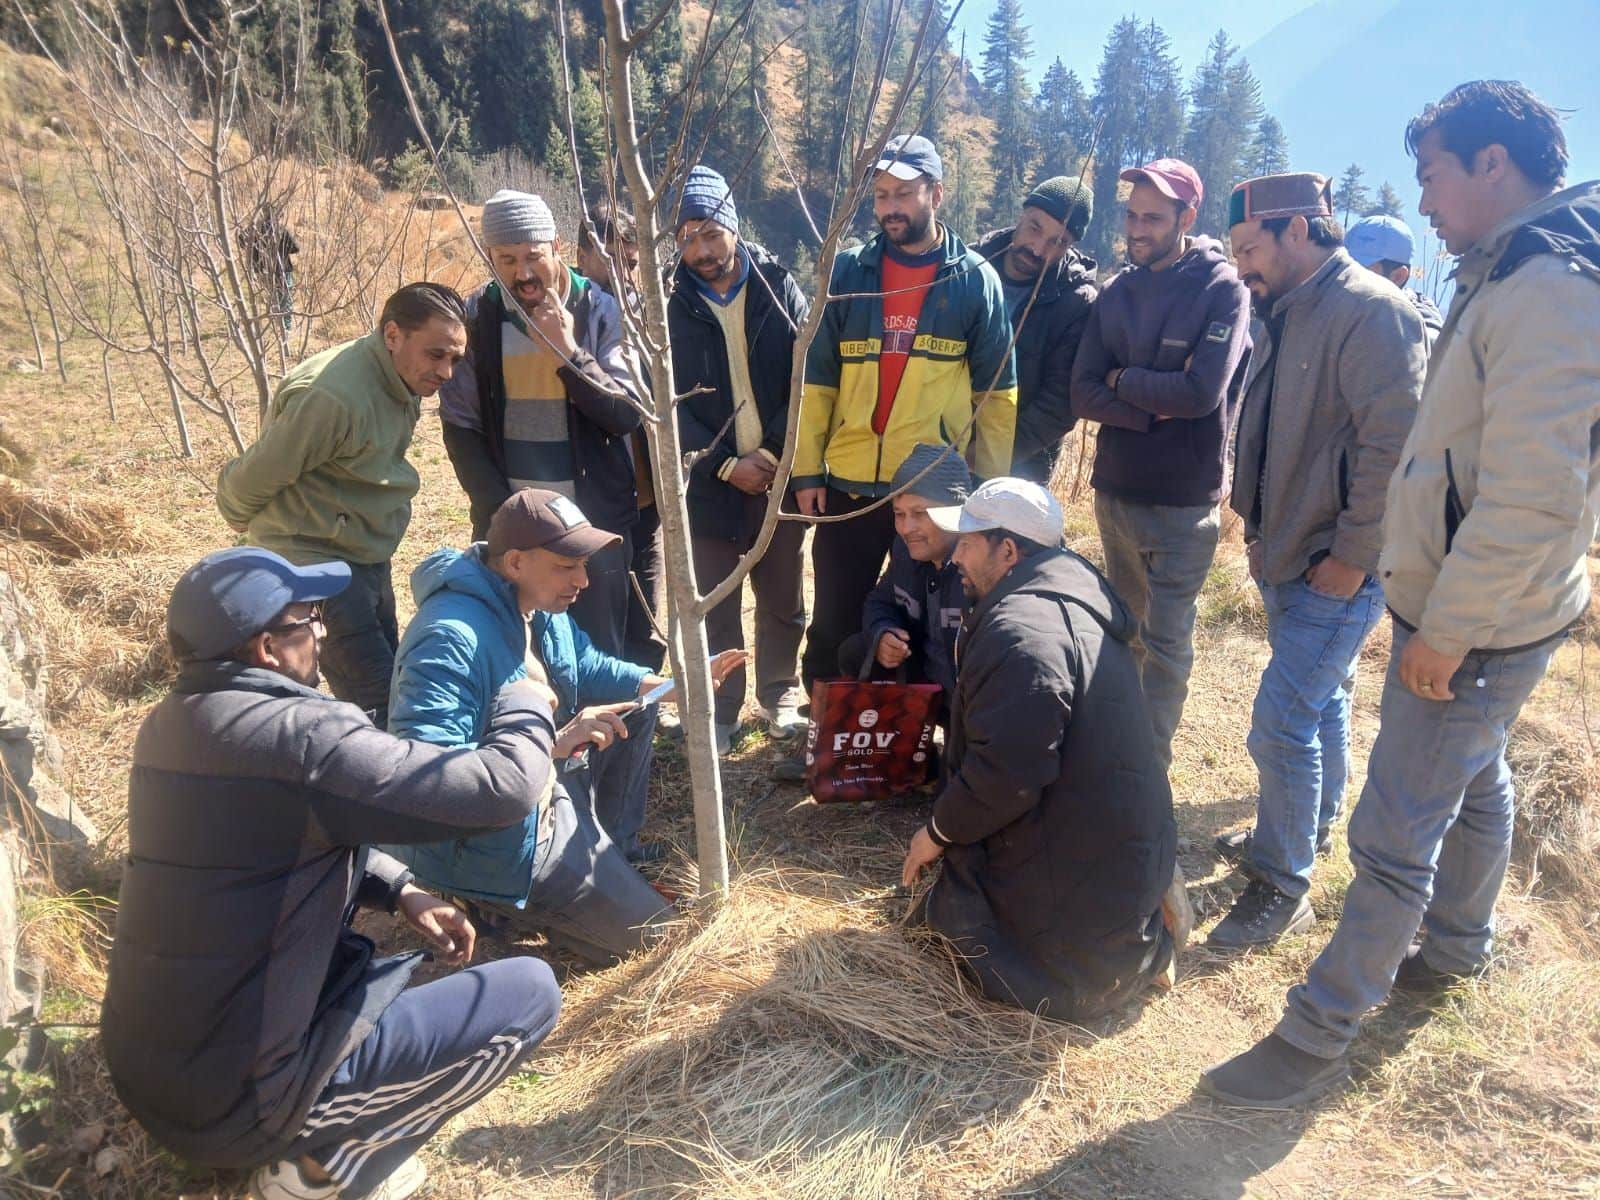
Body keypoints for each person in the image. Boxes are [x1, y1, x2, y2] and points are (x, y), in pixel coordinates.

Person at [1202, 79, 1600, 1108]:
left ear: (1490, 166)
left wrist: (1447, 630)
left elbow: (1530, 498)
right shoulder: (1502, 268)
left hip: (1481, 618)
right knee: (1475, 781)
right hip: (1478, 606)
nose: (1419, 202)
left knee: (1388, 837)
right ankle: (1458, 944)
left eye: (1430, 174)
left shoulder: (1547, 289)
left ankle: (1316, 1033)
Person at [101, 547, 562, 1200]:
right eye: (307, 619)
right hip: (238, 1106)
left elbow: (280, 831)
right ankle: (317, 1177)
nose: (321, 631)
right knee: (528, 994)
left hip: (153, 1075)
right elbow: (500, 792)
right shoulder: (305, 738)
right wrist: (525, 702)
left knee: (383, 981)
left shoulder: (172, 727)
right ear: (267, 649)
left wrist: (401, 887)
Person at [1210, 172, 1427, 949]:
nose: (1241, 268)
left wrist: (1353, 557)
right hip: (1286, 548)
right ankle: (1304, 833)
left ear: (1297, 230)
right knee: (1322, 701)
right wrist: (1260, 526)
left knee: (1279, 723)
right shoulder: (1285, 307)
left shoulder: (1372, 311)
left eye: (1249, 249)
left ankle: (1282, 884)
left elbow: (1394, 450)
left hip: (1338, 564)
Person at [386, 490, 716, 961]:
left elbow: (583, 664)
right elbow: (432, 783)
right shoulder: (448, 639)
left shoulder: (537, 604)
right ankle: (484, 898)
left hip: (539, 787)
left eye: (583, 564)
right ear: (517, 561)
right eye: (567, 565)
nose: (583, 580)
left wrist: (662, 685)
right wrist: (554, 746)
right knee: (657, 940)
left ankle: (611, 857)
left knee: (639, 708)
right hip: (491, 838)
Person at [900, 478, 1179, 1020]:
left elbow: (1007, 776)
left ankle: (1089, 973)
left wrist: (934, 833)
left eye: (968, 541)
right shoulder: (1074, 596)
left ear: (1008, 550)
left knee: (955, 911)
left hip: (1082, 909)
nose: (954, 553)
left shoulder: (1021, 634)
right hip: (1114, 853)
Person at [793, 133, 1017, 710]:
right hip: (847, 484)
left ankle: (903, 738)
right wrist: (806, 470)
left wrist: (987, 498)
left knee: (920, 624)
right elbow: (816, 382)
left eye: (905, 194)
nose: (891, 207)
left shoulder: (974, 282)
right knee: (836, 614)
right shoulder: (847, 272)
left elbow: (997, 398)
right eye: (881, 195)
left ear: (936, 194)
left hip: (929, 492)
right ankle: (827, 736)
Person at [1069, 158, 1252, 775]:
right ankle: (1117, 743)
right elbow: (1083, 390)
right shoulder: (1118, 292)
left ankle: (1146, 769)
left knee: (1167, 643)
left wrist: (1124, 382)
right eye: (1131, 215)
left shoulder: (1222, 291)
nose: (1137, 228)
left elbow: (1201, 395)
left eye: (1153, 217)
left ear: (1187, 218)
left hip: (1182, 501)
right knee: (1124, 630)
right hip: (1115, 492)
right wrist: (1150, 405)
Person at [216, 282, 468, 729]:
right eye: (436, 355)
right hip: (316, 564)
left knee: (395, 683)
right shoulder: (333, 397)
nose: (447, 372)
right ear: (393, 335)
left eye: (455, 359)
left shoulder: (399, 373)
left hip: (364, 551)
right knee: (381, 705)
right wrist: (254, 536)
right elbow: (258, 474)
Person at [439, 189, 645, 659]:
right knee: (518, 659)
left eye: (533, 255)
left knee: (599, 657)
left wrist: (568, 354)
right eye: (506, 259)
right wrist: (498, 514)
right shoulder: (479, 316)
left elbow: (626, 412)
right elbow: (460, 424)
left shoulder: (601, 311)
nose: (523, 273)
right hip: (514, 529)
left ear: (556, 247)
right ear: (489, 257)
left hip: (594, 524)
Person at [668, 166, 810, 755]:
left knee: (783, 597)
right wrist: (726, 464)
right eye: (687, 238)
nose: (701, 251)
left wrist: (773, 454)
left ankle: (781, 695)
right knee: (717, 601)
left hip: (780, 475)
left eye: (711, 234)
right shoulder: (670, 303)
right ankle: (721, 708)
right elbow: (664, 400)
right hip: (710, 483)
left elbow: (807, 378)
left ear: (733, 225)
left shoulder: (780, 285)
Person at [573, 202, 664, 671]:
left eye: (631, 264)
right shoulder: (569, 318)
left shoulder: (653, 316)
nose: (624, 276)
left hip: (646, 497)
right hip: (592, 497)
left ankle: (642, 713)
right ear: (581, 256)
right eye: (611, 261)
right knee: (594, 617)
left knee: (644, 615)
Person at [974, 175, 1099, 482]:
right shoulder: (968, 267)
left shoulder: (1075, 302)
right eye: (1035, 228)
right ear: (1022, 214)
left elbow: (1059, 403)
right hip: (943, 450)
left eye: (1058, 242)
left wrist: (992, 454)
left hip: (1020, 466)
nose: (1039, 249)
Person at [837, 442, 967, 714]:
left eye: (920, 514)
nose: (907, 528)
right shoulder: (907, 552)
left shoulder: (978, 567)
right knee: (857, 650)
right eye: (899, 514)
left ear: (955, 511)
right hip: (927, 680)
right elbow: (879, 601)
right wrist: (883, 633)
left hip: (971, 697)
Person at [1344, 213, 1445, 344]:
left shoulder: (1419, 329)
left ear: (1398, 277)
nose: (1346, 277)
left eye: (1360, 272)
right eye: (1343, 266)